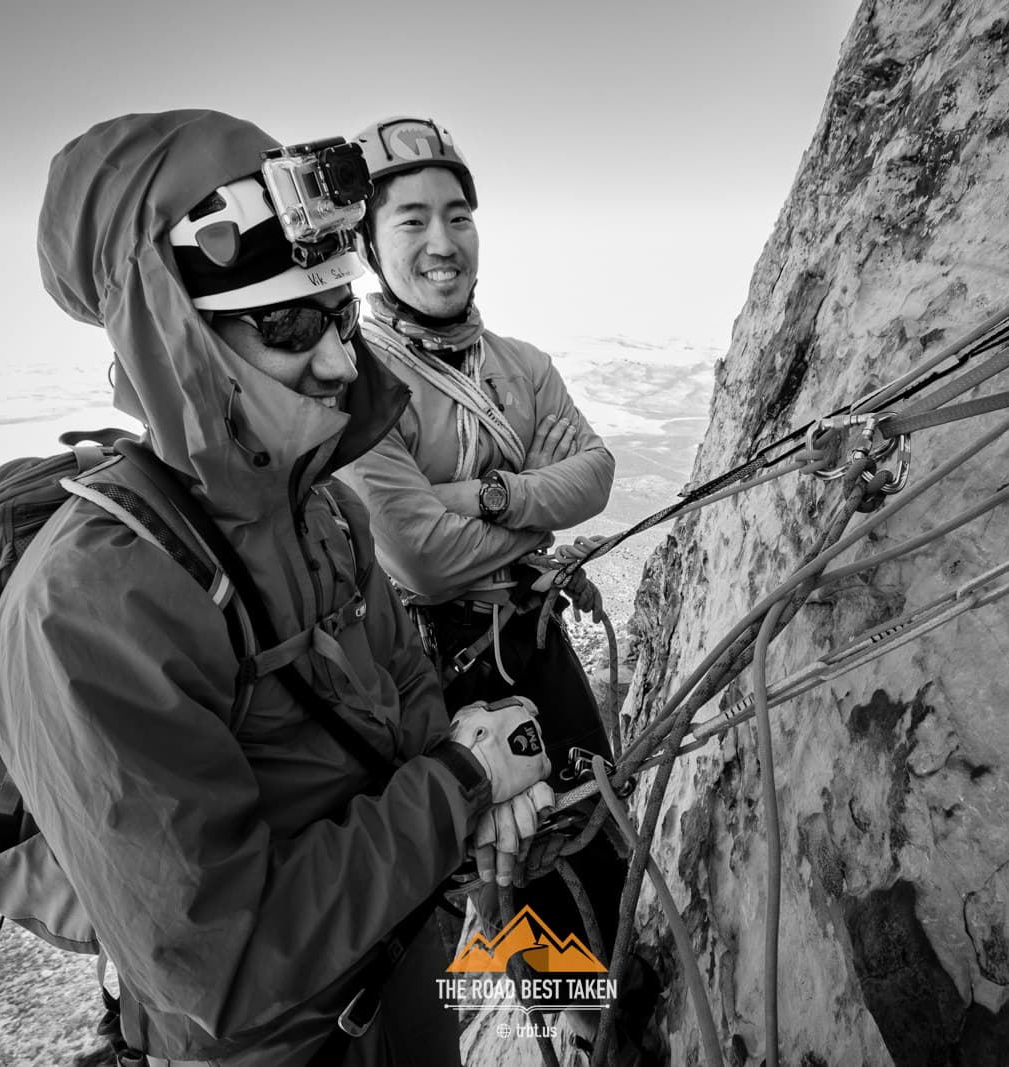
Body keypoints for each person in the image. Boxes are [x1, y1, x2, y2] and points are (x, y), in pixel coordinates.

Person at [0, 109, 555, 1067]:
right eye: (287, 324)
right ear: (174, 335)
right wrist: (461, 784)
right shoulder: (93, 601)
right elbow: (226, 961)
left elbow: (404, 688)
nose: (337, 360)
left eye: (337, 313)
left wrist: (470, 783)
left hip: (398, 974)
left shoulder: (317, 506)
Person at [339, 115, 658, 1057]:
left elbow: (594, 475)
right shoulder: (355, 384)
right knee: (502, 863)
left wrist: (479, 494)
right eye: (411, 222)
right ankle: (574, 1020)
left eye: (459, 215)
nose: (443, 243)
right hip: (435, 675)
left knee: (591, 825)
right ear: (368, 244)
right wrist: (531, 507)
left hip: (531, 634)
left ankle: (627, 1001)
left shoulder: (522, 367)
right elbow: (418, 560)